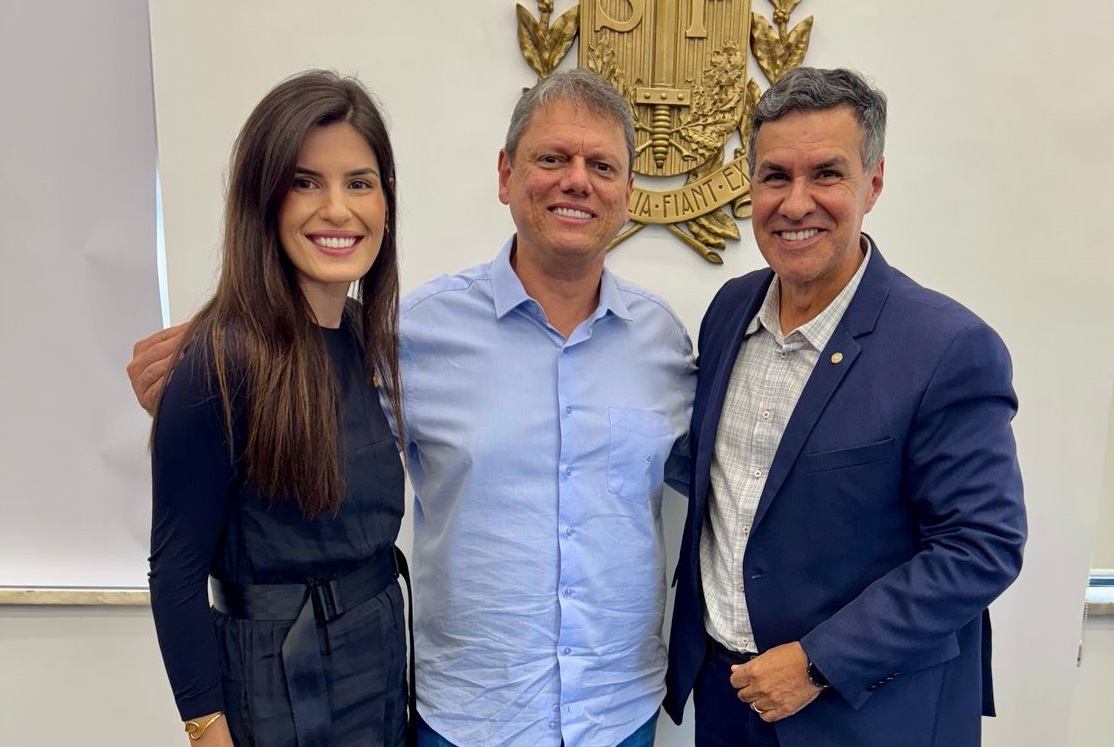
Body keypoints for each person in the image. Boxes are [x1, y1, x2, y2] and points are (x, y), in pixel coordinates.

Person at [130, 68, 694, 747]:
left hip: (616, 713)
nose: (577, 180)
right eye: (551, 158)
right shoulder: (412, 335)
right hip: (463, 718)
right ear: (506, 175)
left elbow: (732, 480)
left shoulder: (664, 343)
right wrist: (204, 379)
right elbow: (288, 382)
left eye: (601, 165)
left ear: (627, 191)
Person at [663, 67, 1027, 746]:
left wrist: (818, 662)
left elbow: (981, 547)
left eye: (826, 174)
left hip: (865, 714)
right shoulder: (729, 311)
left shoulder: (947, 347)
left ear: (873, 183)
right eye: (774, 176)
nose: (795, 202)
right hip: (726, 695)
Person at [147, 70, 410, 746]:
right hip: (279, 682)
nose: (338, 210)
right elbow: (175, 574)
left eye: (359, 183)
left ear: (386, 200)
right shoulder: (222, 359)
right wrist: (206, 732)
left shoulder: (366, 337)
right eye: (305, 183)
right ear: (262, 200)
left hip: (377, 657)